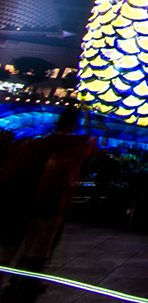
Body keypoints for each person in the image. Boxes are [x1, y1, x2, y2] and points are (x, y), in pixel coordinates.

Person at [0, 108, 97, 301]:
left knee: (7, 251)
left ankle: (13, 283)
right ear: (73, 125)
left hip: (15, 205)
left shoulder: (33, 145)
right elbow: (90, 141)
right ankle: (24, 287)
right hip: (46, 208)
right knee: (36, 253)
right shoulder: (72, 145)